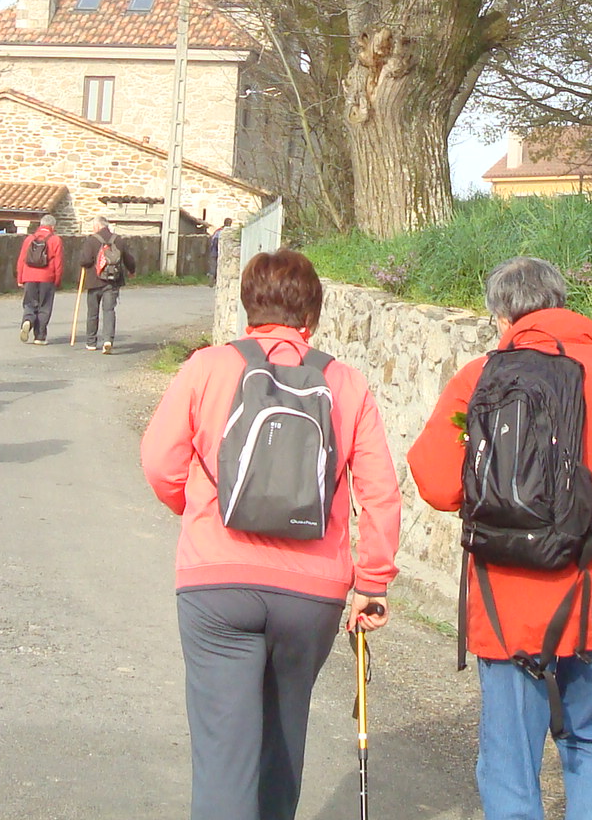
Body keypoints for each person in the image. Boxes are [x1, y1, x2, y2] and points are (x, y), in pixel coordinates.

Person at [406, 257, 592, 820]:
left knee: (509, 755)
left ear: (502, 315)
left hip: (511, 599)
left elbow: (437, 483)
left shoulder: (484, 376)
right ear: (562, 302)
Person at [140, 249, 402, 820]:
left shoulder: (207, 367)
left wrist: (196, 509)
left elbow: (160, 461)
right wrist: (372, 581)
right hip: (312, 594)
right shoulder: (346, 383)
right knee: (282, 744)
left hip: (217, 582)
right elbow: (380, 492)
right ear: (314, 311)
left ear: (247, 304)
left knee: (223, 757)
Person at [82, 214, 137, 354]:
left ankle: (91, 342)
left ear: (97, 226)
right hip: (113, 281)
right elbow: (128, 259)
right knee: (109, 311)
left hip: (94, 281)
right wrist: (132, 270)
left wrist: (86, 263)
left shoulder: (91, 240)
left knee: (92, 312)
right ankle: (108, 340)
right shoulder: (118, 240)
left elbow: (85, 260)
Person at [16, 213, 66, 345]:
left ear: (40, 225)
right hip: (47, 277)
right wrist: (57, 280)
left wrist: (20, 278)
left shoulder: (29, 239)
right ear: (52, 226)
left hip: (29, 276)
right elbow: (58, 263)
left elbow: (21, 259)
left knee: (29, 303)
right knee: (44, 306)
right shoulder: (55, 240)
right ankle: (40, 336)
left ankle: (28, 320)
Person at [205, 217, 232, 285]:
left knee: (214, 266)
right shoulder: (224, 232)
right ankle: (214, 281)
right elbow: (216, 241)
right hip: (217, 251)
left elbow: (212, 241)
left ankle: (213, 280)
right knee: (217, 267)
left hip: (213, 252)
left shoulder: (218, 231)